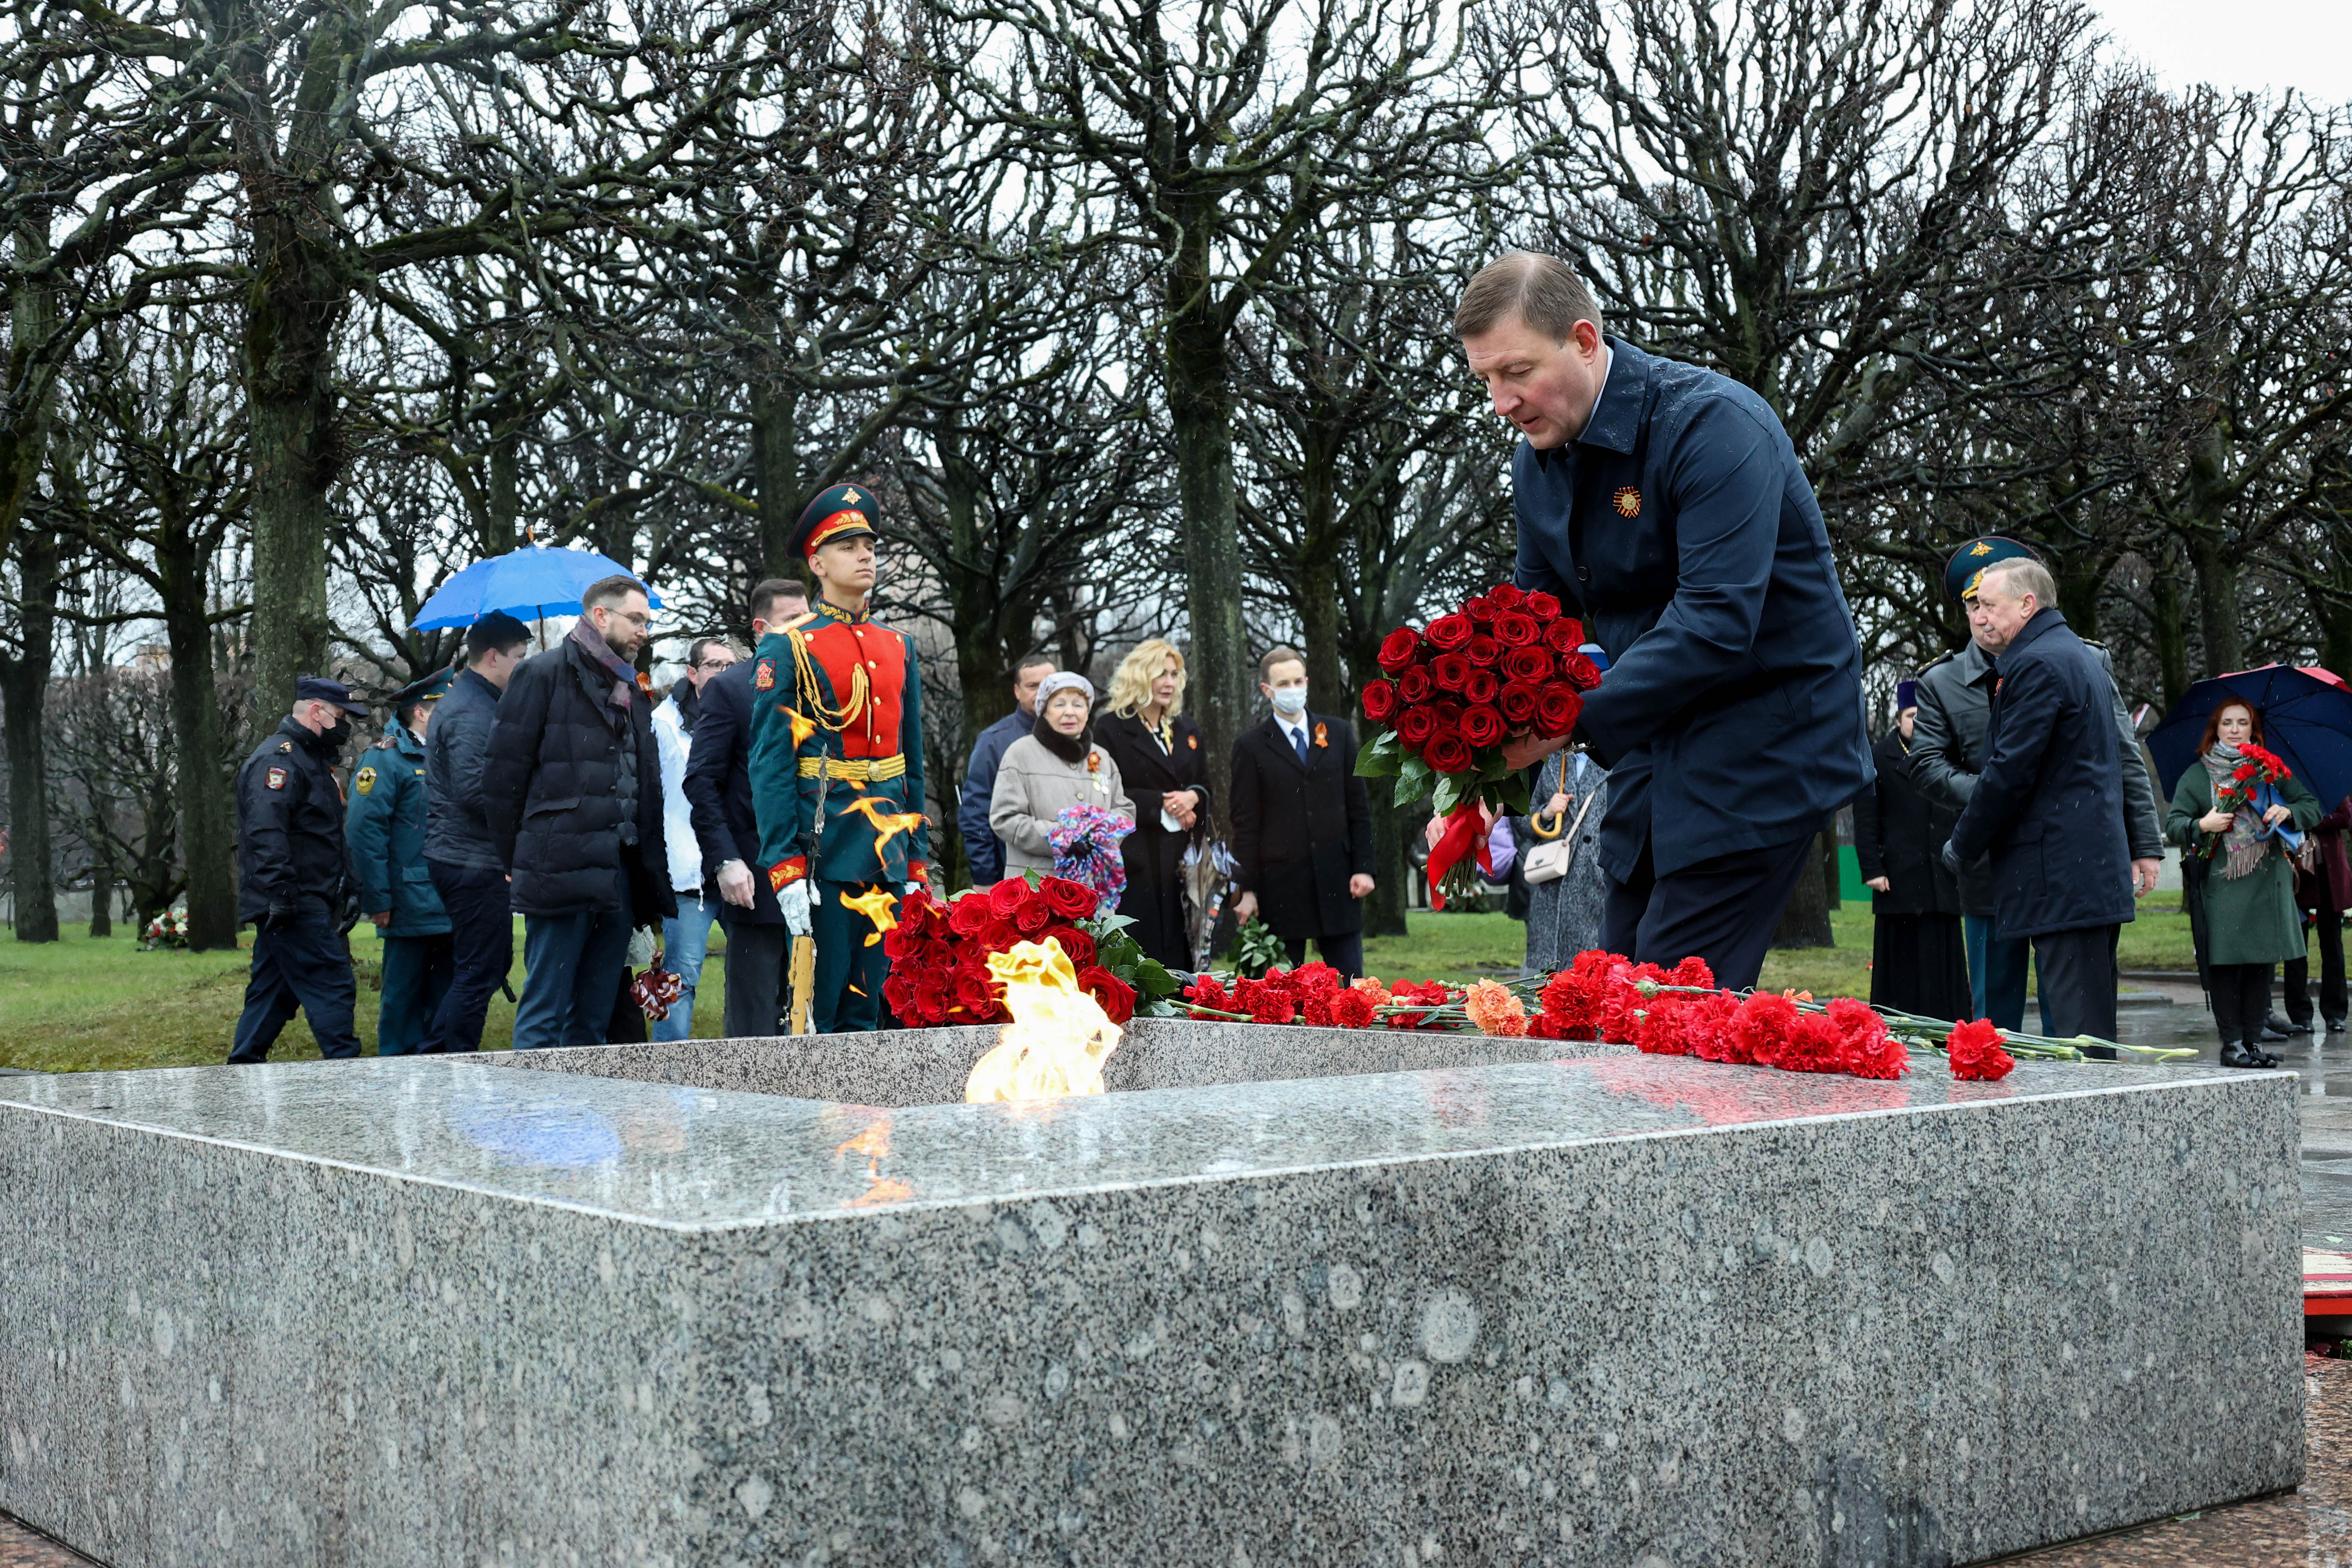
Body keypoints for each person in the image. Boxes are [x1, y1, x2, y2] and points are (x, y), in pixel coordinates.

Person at [1456, 251, 1871, 991]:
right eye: (1485, 379)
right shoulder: (1538, 463)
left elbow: (1715, 619)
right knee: (1621, 981)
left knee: (1666, 1000)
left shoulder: (1712, 424)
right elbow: (1532, 626)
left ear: (1584, 341)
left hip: (1764, 740)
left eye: (1516, 372)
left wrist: (1560, 724)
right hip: (1652, 742)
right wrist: (1476, 753)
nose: (1501, 401)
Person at [1910, 536, 2164, 1029]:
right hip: (1990, 869)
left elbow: (2119, 756)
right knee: (1995, 1022)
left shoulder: (2060, 660)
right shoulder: (1941, 681)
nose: (1981, 617)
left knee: (2070, 1017)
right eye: (1972, 605)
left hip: (2054, 867)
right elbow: (1927, 766)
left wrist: (2145, 841)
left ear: (2026, 604)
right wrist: (1986, 801)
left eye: (1989, 604)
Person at [749, 485, 932, 1033]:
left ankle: (870, 1121)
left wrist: (917, 859)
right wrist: (784, 866)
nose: (865, 555)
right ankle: (817, 1123)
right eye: (848, 546)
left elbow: (911, 762)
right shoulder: (789, 645)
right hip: (823, 851)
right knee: (818, 1010)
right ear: (817, 562)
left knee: (875, 1008)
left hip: (888, 853)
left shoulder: (898, 646)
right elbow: (771, 764)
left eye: (869, 545)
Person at [481, 575, 676, 1050]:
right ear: (600, 616)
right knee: (545, 1011)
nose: (643, 631)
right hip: (558, 868)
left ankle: (581, 1120)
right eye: (636, 619)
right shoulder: (541, 674)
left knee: (594, 1015)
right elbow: (502, 781)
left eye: (647, 623)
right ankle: (533, 1115)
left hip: (621, 875)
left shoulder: (633, 691)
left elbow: (645, 788)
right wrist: (520, 861)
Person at [2166, 698, 2324, 1067]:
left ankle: (2253, 1043)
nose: (2235, 730)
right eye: (2227, 723)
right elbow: (2175, 824)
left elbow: (2311, 806)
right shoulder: (2198, 774)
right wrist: (2202, 825)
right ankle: (2232, 1045)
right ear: (2215, 729)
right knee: (2226, 966)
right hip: (2223, 886)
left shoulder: (2268, 770)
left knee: (2260, 965)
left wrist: (2289, 811)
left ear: (2254, 729)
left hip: (2268, 882)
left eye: (2243, 723)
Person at [227, 676, 373, 1063]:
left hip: (306, 896)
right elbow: (265, 831)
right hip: (293, 899)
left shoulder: (311, 762)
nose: (345, 726)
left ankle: (241, 1069)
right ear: (316, 711)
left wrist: (350, 885)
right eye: (341, 716)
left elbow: (325, 836)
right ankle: (346, 1069)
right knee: (332, 982)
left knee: (274, 991)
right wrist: (281, 893)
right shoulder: (279, 761)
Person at [686, 581, 805, 1038]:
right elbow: (702, 782)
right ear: (762, 629)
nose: (808, 629)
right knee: (757, 1025)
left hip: (823, 876)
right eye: (794, 620)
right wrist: (726, 860)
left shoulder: (828, 687)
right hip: (758, 880)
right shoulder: (732, 690)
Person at [418, 612, 532, 1054]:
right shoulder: (471, 709)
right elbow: (474, 791)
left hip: (469, 856)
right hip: (470, 859)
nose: (524, 665)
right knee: (479, 968)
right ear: (492, 657)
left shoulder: (478, 701)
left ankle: (442, 1055)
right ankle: (447, 1060)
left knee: (485, 963)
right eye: (520, 657)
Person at [1229, 647, 1375, 977]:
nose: (1293, 689)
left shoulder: (1337, 734)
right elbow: (1245, 823)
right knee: (1280, 997)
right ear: (1267, 690)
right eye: (1284, 683)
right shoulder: (1251, 746)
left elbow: (1358, 808)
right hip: (1279, 888)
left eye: (1298, 681)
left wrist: (1364, 868)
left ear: (1307, 682)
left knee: (1350, 989)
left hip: (1338, 880)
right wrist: (1247, 889)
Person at [347, 669, 455, 1056]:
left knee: (447, 1000)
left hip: (451, 899)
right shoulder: (385, 760)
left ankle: (443, 1073)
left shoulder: (451, 753)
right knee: (403, 1000)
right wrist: (378, 899)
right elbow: (364, 834)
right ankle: (397, 1076)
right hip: (408, 903)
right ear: (423, 714)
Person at [1850, 680, 1969, 1021]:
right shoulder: (1879, 757)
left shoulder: (1950, 756)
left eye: (1925, 716)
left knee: (1942, 963)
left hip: (1941, 876)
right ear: (1900, 717)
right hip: (1898, 878)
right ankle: (1897, 1025)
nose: (1918, 723)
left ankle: (1945, 1027)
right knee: (1899, 964)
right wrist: (1872, 867)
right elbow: (1867, 816)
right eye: (1912, 715)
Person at [1092, 639, 1210, 969]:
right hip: (1137, 856)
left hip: (1183, 859)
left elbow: (1205, 783)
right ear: (1140, 676)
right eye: (1161, 673)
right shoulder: (1111, 728)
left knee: (1185, 952)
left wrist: (1193, 797)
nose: (1170, 682)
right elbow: (1104, 792)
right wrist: (1161, 804)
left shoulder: (1186, 727)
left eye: (1175, 674)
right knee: (1143, 952)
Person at [649, 636, 738, 1040]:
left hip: (743, 867)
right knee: (678, 979)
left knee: (756, 976)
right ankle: (669, 1082)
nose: (722, 673)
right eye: (713, 666)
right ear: (692, 673)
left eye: (729, 666)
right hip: (688, 874)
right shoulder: (662, 724)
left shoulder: (747, 715)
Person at [990, 671, 1137, 884]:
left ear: (1088, 711)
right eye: (1059, 705)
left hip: (1094, 888)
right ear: (1045, 711)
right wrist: (1064, 837)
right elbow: (1005, 819)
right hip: (1037, 890)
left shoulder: (1102, 758)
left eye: (1078, 705)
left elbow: (1125, 811)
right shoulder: (1020, 754)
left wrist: (1100, 832)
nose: (1070, 713)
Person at [958, 652, 1058, 888]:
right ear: (1017, 692)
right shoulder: (994, 742)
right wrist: (986, 880)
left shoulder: (1079, 740)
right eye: (1033, 686)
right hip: (1014, 881)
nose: (1042, 693)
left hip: (1069, 879)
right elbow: (976, 815)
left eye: (1049, 686)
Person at [1516, 748, 1611, 976]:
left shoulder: (1615, 758)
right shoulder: (1546, 759)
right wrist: (1547, 812)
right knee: (1551, 975)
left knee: (1596, 969)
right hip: (1553, 881)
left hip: (1599, 878)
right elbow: (1520, 823)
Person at [2286, 793, 2352, 1035]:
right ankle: (2300, 1015)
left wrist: (2310, 820)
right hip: (2299, 874)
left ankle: (2336, 1013)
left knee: (2333, 944)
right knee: (2296, 946)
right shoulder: (2288, 783)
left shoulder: (2329, 781)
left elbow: (2345, 816)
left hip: (2329, 875)